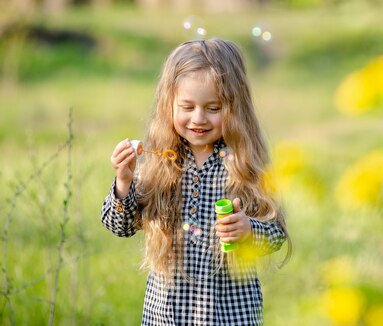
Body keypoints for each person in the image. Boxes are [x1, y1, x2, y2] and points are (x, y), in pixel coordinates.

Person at [101, 38, 291, 325]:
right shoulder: (158, 162)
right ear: (169, 105)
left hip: (229, 315)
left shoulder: (245, 163)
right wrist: (124, 180)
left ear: (235, 107)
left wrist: (249, 230)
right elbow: (120, 226)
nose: (198, 118)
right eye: (187, 107)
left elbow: (276, 233)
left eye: (213, 108)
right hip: (166, 315)